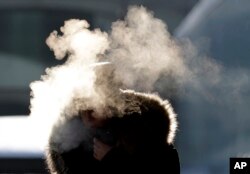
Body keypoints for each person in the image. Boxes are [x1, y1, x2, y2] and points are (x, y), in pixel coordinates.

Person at [45, 90, 180, 174]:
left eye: (96, 104)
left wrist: (114, 160)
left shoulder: (149, 136)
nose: (90, 113)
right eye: (85, 107)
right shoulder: (72, 145)